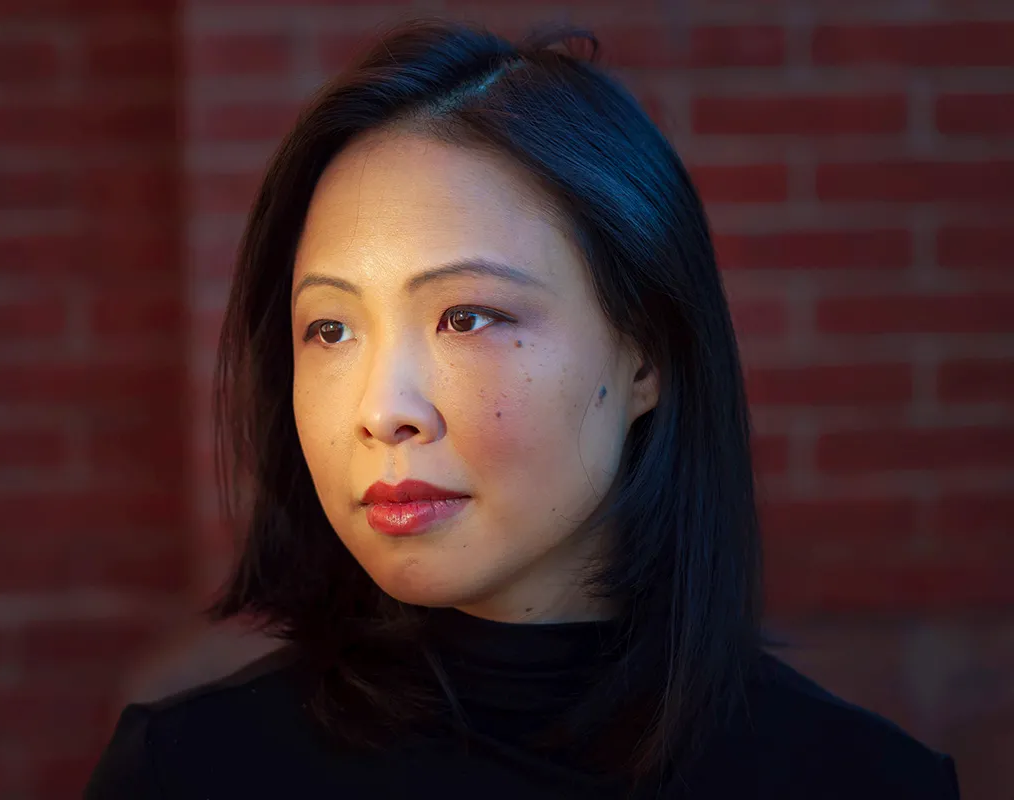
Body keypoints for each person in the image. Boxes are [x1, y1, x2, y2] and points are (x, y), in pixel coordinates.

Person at [85, 19, 960, 799]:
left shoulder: (861, 780)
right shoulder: (190, 772)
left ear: (647, 351)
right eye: (330, 328)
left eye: (467, 317)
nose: (382, 411)